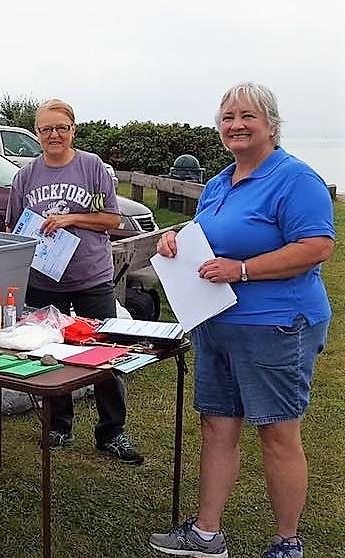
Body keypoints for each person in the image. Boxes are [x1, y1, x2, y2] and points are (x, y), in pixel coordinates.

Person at [150, 83, 334, 558]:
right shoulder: (218, 183)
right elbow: (206, 235)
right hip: (217, 323)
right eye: (228, 117)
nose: (236, 125)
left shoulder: (296, 179)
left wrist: (243, 270)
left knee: (277, 433)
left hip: (276, 327)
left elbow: (317, 246)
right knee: (217, 426)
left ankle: (287, 541)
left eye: (247, 116)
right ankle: (206, 533)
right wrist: (174, 239)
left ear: (271, 124)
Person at [5, 99, 143, 464]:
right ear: (37, 134)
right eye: (46, 129)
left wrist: (71, 220)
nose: (54, 135)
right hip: (43, 279)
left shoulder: (92, 167)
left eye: (61, 128)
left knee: (105, 353)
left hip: (90, 278)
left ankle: (111, 432)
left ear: (73, 130)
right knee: (47, 352)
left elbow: (112, 219)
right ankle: (58, 424)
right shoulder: (26, 175)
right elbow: (12, 227)